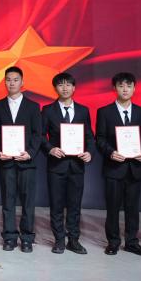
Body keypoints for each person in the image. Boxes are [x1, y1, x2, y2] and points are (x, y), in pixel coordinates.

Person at [95, 71, 141, 256]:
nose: (125, 89)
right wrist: (111, 153)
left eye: (129, 85)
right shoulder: (104, 112)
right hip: (114, 167)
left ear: (134, 88)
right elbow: (100, 138)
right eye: (121, 85)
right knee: (112, 208)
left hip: (135, 167)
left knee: (132, 208)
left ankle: (132, 242)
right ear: (115, 88)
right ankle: (113, 242)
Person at [41, 72, 93, 254]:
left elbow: (89, 136)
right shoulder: (48, 110)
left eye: (68, 84)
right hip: (56, 165)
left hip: (77, 165)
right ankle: (59, 240)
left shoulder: (83, 110)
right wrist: (50, 149)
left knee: (74, 205)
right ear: (55, 88)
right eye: (61, 85)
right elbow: (40, 136)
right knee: (56, 205)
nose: (65, 88)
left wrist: (89, 152)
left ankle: (74, 240)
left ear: (74, 87)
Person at [0, 66, 42, 253]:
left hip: (27, 161)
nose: (11, 83)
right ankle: (10, 237)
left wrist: (30, 152)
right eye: (8, 80)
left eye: (15, 80)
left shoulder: (33, 106)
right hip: (6, 161)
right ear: (4, 82)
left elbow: (37, 134)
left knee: (28, 202)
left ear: (22, 82)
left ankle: (27, 238)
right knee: (8, 200)